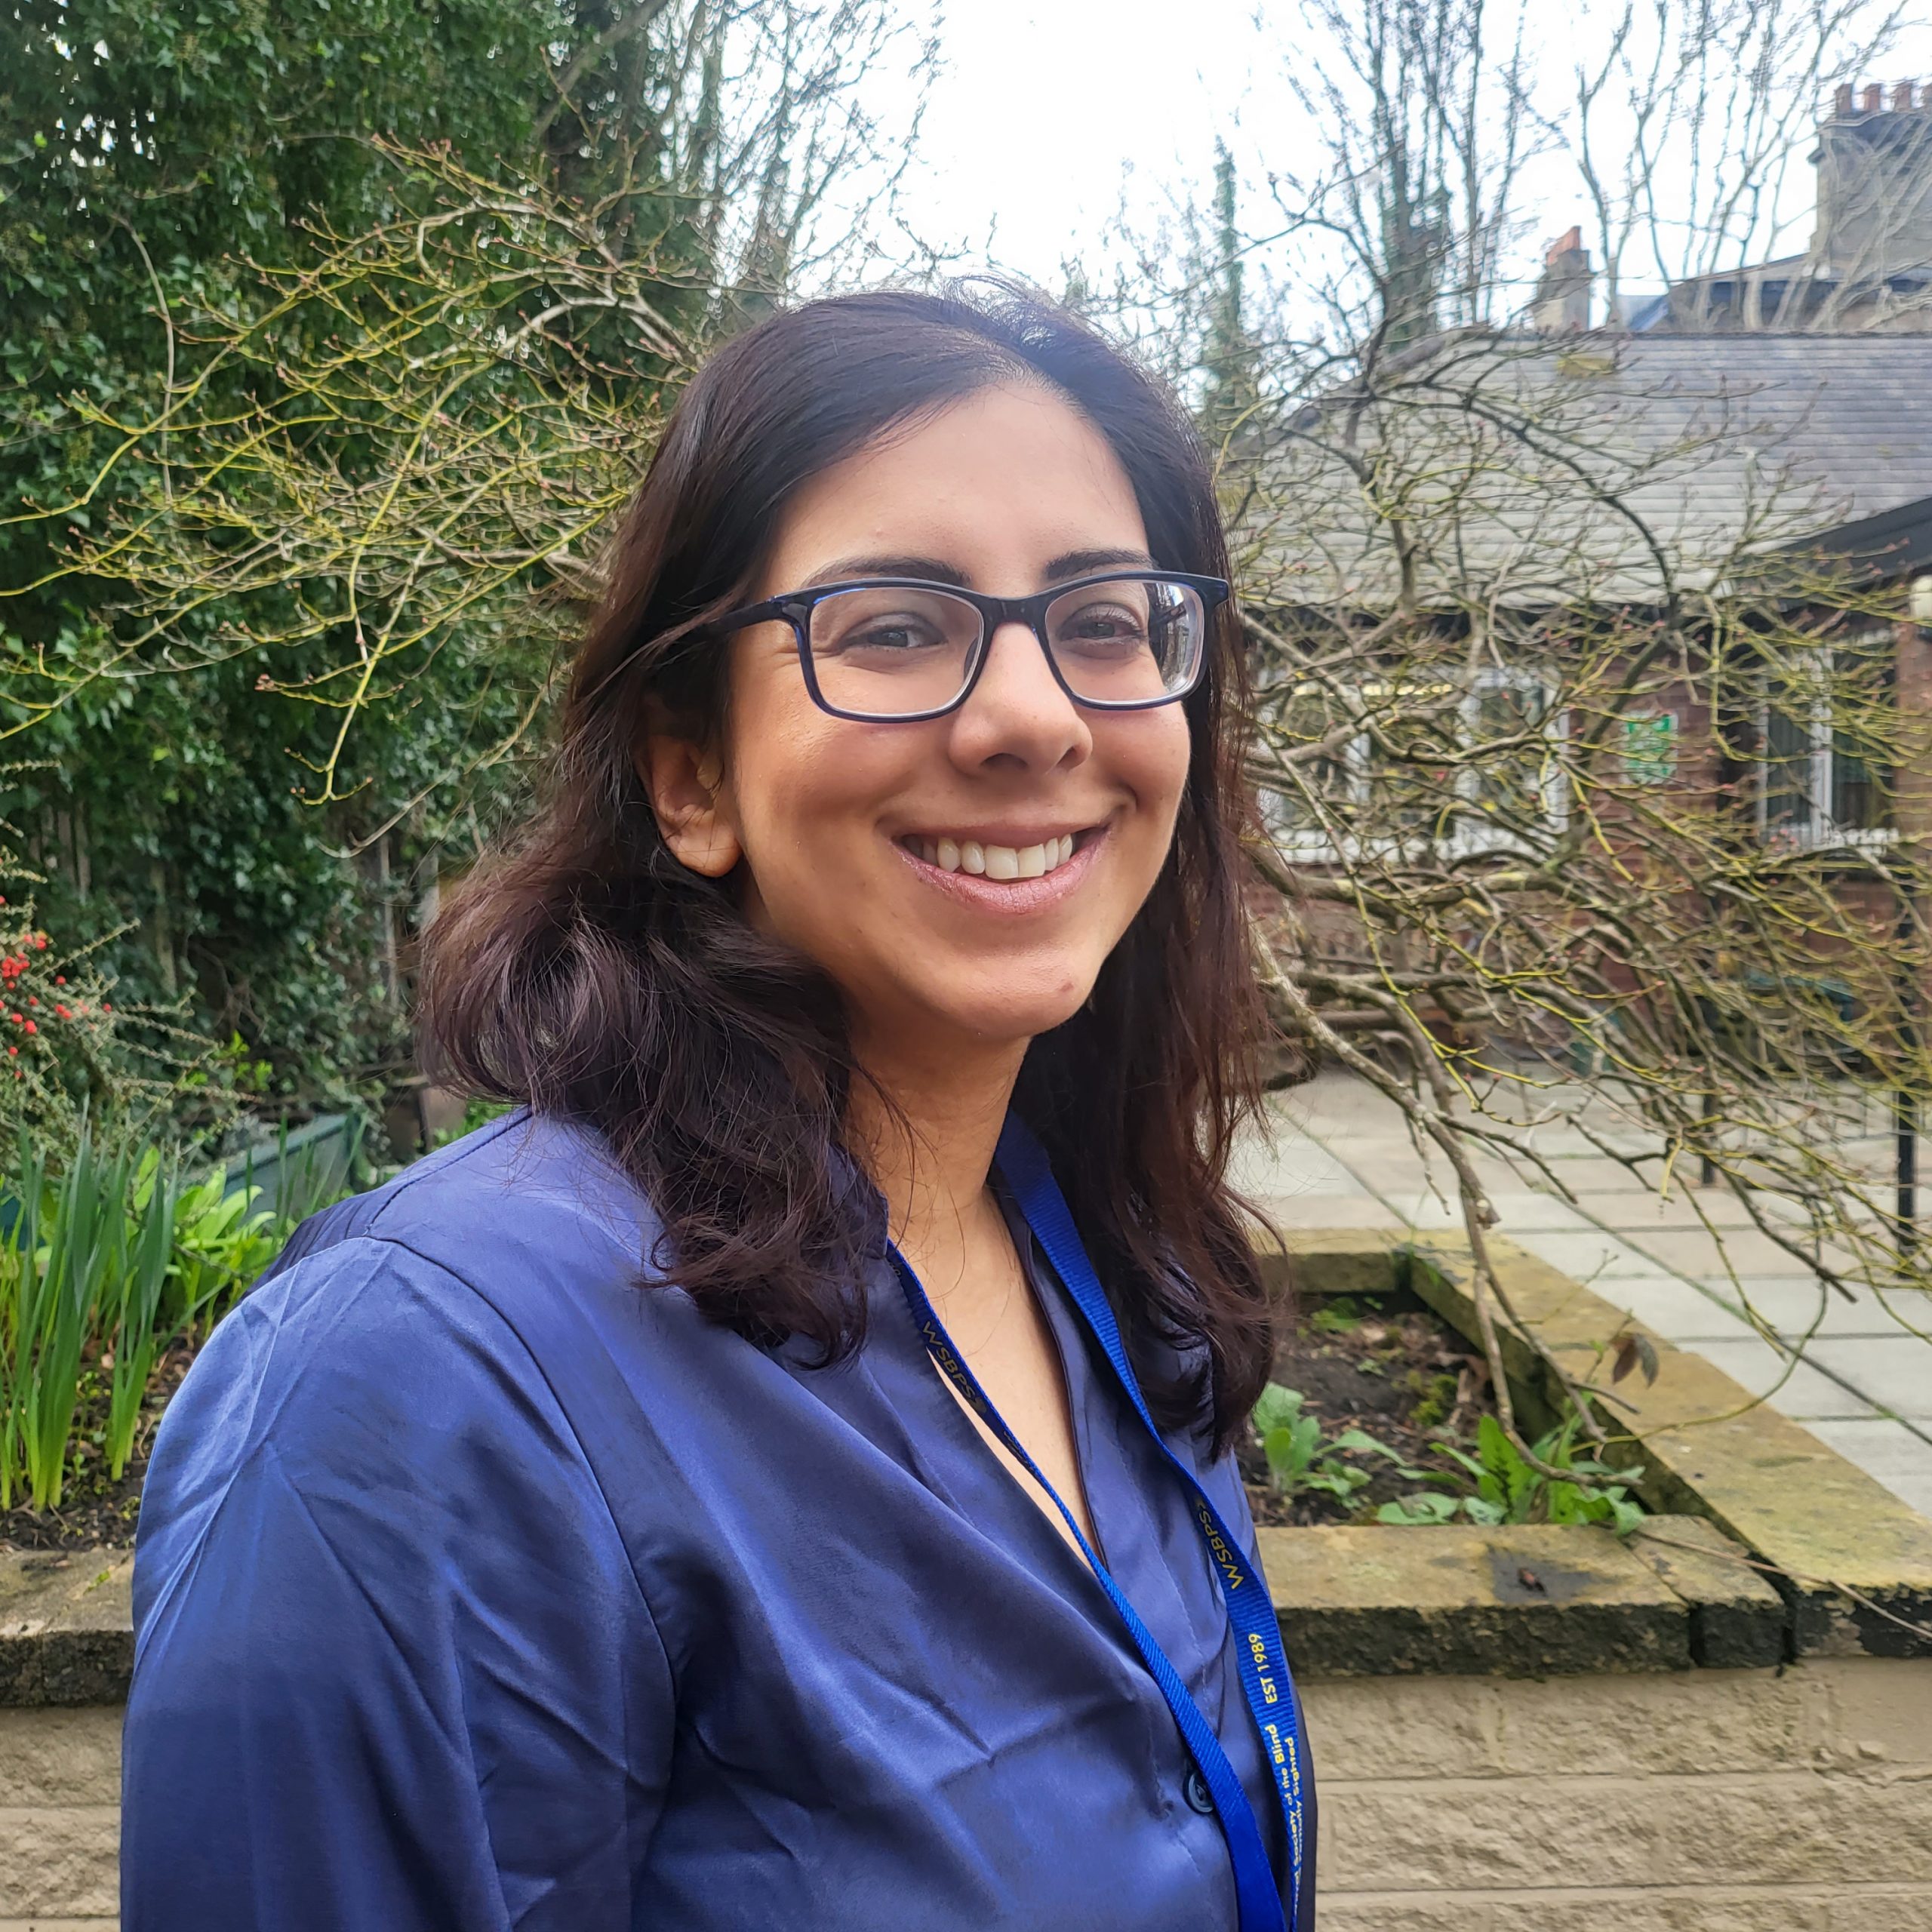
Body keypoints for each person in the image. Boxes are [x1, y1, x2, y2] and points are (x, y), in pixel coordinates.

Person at [122, 285, 1317, 1931]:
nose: (1035, 714)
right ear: (690, 773)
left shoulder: (1116, 1265)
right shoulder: (421, 1385)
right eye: (893, 625)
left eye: (1104, 621)